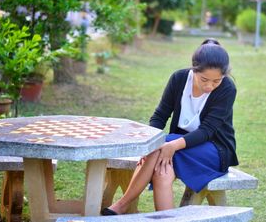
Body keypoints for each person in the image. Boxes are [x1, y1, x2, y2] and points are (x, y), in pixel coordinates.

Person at [101, 38, 238, 215]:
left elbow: (206, 131)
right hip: (180, 148)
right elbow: (160, 116)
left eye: (216, 81)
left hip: (215, 151)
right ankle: (166, 219)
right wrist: (149, 143)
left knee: (160, 147)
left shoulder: (227, 88)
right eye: (204, 79)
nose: (209, 86)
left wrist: (169, 146)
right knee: (161, 171)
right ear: (193, 69)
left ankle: (122, 204)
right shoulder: (179, 79)